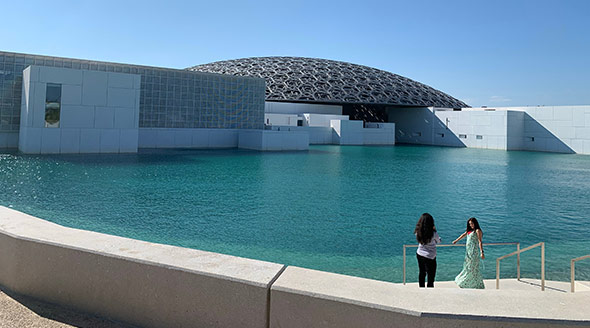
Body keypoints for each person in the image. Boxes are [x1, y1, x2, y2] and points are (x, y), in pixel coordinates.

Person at [452, 217, 485, 289]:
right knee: (467, 266)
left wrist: (482, 252)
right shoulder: (469, 231)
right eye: (470, 224)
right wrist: (456, 241)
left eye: (472, 223)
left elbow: (480, 242)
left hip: (474, 252)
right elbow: (463, 235)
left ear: (475, 223)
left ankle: (474, 283)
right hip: (468, 251)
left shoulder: (477, 230)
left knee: (472, 266)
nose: (471, 225)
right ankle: (468, 281)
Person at [414, 213, 441, 287]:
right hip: (430, 256)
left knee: (422, 272)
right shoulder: (433, 233)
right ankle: (430, 289)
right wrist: (435, 230)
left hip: (420, 254)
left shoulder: (418, 232)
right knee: (431, 275)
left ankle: (421, 288)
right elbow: (438, 241)